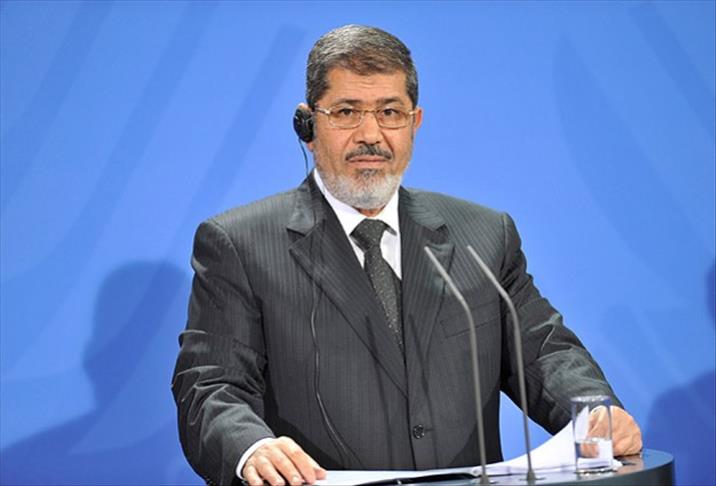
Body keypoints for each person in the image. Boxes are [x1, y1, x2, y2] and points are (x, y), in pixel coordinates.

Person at [172, 24, 642, 486]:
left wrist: (594, 412)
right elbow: (211, 386)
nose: (371, 135)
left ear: (414, 123)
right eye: (347, 112)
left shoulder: (483, 235)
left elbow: (542, 350)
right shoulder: (240, 244)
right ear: (308, 126)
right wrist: (251, 447)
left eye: (390, 112)